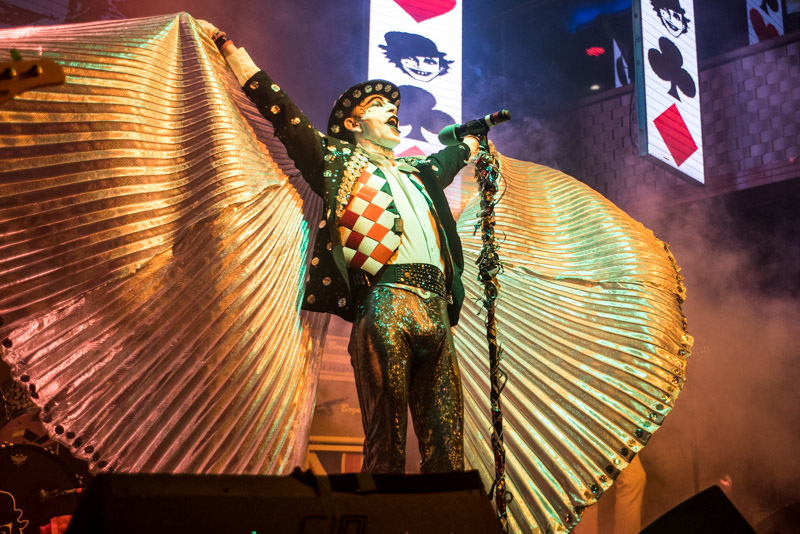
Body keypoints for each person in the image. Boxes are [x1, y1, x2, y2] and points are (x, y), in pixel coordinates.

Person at [198, 20, 480, 474]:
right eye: (378, 105)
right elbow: (283, 113)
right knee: (386, 441)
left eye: (393, 105)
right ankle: (380, 508)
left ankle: (447, 511)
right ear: (353, 124)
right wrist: (230, 48)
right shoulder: (336, 162)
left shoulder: (419, 173)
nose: (392, 109)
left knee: (448, 446)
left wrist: (472, 142)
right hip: (385, 300)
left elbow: (453, 156)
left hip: (437, 310)